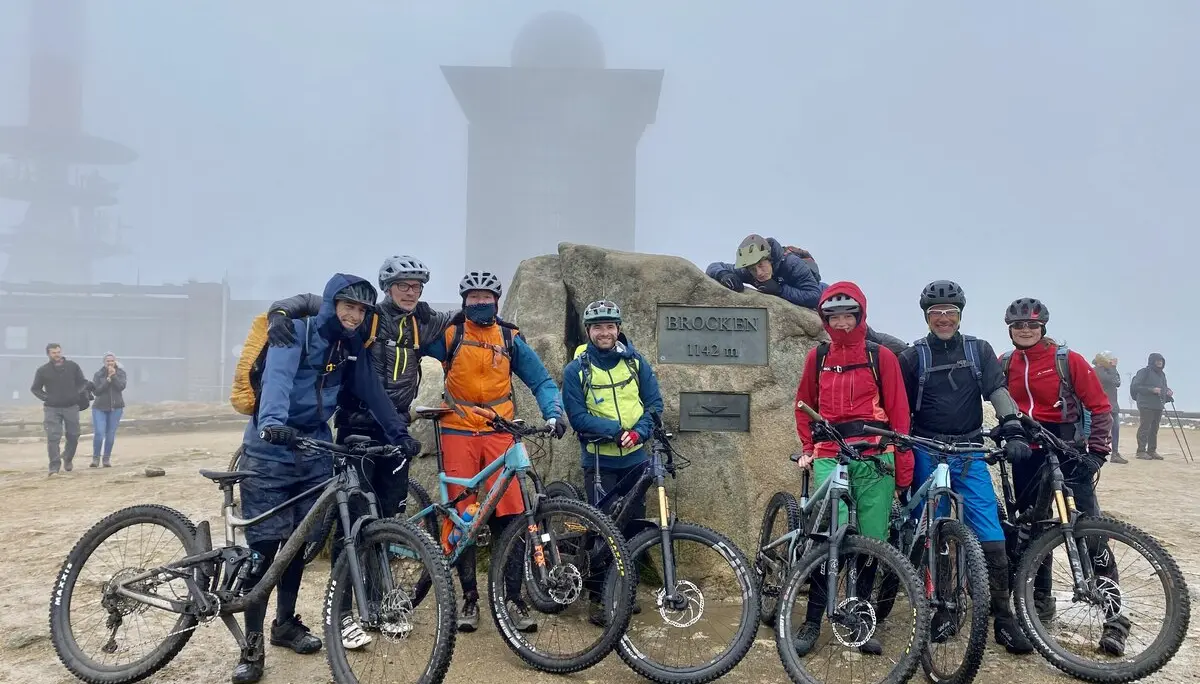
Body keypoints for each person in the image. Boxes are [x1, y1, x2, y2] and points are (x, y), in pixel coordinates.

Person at [231, 274, 422, 684]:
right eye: (348, 307)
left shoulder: (349, 346)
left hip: (314, 448)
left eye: (361, 310)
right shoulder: (297, 332)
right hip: (270, 450)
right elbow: (278, 379)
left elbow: (372, 391)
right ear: (332, 304)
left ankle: (285, 624)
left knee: (298, 545)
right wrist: (272, 423)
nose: (354, 316)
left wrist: (399, 434)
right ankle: (251, 643)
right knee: (265, 548)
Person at [263, 254, 456, 649]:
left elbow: (464, 315)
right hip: (356, 429)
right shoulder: (366, 315)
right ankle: (344, 613)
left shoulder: (422, 322)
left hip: (393, 429)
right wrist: (279, 311)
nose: (410, 292)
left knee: (385, 521)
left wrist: (500, 321)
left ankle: (380, 602)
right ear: (387, 287)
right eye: (402, 285)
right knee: (351, 522)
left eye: (416, 286)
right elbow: (313, 302)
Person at [421, 270, 565, 633]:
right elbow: (409, 348)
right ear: (464, 302)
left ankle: (512, 599)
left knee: (513, 514)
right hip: (457, 430)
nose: (480, 303)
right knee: (462, 515)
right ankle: (469, 597)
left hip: (500, 431)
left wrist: (553, 412)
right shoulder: (451, 333)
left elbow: (541, 379)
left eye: (486, 298)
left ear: (497, 302)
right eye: (473, 298)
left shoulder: (509, 337)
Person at [895, 280, 1034, 654]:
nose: (944, 318)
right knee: (934, 531)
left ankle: (1003, 618)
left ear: (960, 315)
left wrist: (1012, 426)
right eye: (936, 313)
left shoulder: (979, 350)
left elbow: (997, 391)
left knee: (991, 533)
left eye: (950, 312)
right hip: (926, 449)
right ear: (926, 317)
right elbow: (898, 405)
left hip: (969, 449)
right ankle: (943, 609)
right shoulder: (913, 357)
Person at [792, 282, 914, 656]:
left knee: (872, 541)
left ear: (860, 316)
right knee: (831, 537)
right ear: (825, 319)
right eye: (834, 317)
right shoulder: (818, 358)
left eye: (849, 316)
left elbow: (899, 413)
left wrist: (903, 466)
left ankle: (858, 620)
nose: (842, 323)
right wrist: (808, 448)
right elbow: (803, 405)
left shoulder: (881, 357)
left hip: (876, 456)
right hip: (831, 454)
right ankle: (812, 621)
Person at [1000, 297, 1126, 656]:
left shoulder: (1067, 360)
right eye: (1019, 325)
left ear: (1043, 327)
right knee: (1033, 529)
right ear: (1010, 329)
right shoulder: (1005, 362)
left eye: (1032, 325)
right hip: (1027, 454)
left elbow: (1100, 406)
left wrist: (1097, 452)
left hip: (1069, 451)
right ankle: (1040, 603)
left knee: (1090, 532)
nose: (1026, 330)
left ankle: (1115, 619)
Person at [560, 299, 664, 623]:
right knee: (600, 528)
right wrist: (616, 432)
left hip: (635, 460)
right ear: (588, 331)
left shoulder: (635, 363)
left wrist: (639, 433)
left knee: (633, 527)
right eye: (597, 327)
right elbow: (577, 416)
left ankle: (625, 590)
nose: (604, 332)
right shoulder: (576, 370)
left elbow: (654, 404)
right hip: (599, 461)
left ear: (618, 329)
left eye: (609, 326)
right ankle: (598, 597)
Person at [706, 234, 909, 354]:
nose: (758, 273)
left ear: (769, 259)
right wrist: (724, 275)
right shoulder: (750, 270)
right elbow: (714, 266)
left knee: (867, 335)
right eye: (752, 269)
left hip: (824, 295)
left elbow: (813, 295)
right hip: (802, 300)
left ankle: (904, 351)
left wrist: (780, 290)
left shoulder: (791, 264)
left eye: (761, 266)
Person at [30, 343, 89, 475]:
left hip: (71, 406)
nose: (57, 355)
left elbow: (83, 382)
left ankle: (67, 457)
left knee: (74, 435)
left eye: (58, 352)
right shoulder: (43, 370)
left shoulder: (72, 366)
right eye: (54, 353)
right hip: (52, 408)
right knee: (53, 437)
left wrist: (76, 393)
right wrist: (47, 397)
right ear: (48, 354)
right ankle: (54, 467)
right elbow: (35, 389)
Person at [1130, 353, 1172, 460]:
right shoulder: (1144, 372)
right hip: (1145, 404)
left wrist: (1167, 392)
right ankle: (1141, 451)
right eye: (1157, 360)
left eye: (1161, 361)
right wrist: (1151, 390)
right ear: (1152, 361)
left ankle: (1152, 451)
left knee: (1154, 429)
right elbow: (1136, 386)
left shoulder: (1162, 374)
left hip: (1158, 404)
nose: (1160, 362)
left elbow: (1163, 387)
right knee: (1145, 427)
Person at [89, 352, 127, 468]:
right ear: (104, 362)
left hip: (116, 408)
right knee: (99, 433)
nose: (110, 363)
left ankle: (106, 458)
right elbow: (96, 391)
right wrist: (107, 380)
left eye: (112, 361)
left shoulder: (121, 373)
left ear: (115, 361)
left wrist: (113, 377)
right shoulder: (98, 374)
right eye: (108, 361)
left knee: (110, 434)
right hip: (100, 408)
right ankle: (96, 458)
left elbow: (121, 387)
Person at [1092, 352, 1126, 463]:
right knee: (1102, 431)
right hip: (1103, 405)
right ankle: (1098, 453)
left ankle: (1115, 453)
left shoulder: (1109, 370)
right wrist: (1113, 367)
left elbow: (1117, 382)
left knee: (1115, 430)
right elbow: (1110, 380)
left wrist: (1113, 369)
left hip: (1113, 405)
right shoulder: (1097, 370)